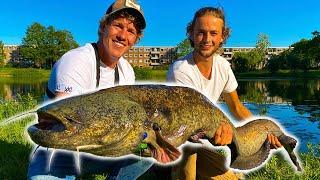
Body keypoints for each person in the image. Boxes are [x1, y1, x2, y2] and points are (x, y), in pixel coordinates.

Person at [28, 0, 153, 179]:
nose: (123, 36)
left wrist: (141, 141)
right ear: (103, 27)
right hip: (61, 149)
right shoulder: (75, 61)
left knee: (145, 153)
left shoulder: (127, 71)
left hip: (106, 144)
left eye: (131, 31)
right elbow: (65, 125)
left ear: (135, 39)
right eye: (118, 26)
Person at [167, 7, 282, 179]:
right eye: (201, 32)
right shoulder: (181, 70)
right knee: (188, 144)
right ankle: (169, 170)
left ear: (222, 37)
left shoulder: (223, 66)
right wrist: (217, 133)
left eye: (213, 33)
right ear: (191, 34)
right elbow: (188, 123)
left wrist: (264, 132)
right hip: (179, 141)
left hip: (202, 141)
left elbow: (236, 107)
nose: (207, 39)